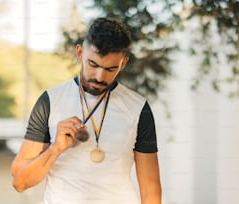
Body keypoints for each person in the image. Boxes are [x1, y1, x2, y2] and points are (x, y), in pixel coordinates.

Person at [11, 17, 161, 204]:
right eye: (93, 64)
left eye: (110, 68)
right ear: (80, 53)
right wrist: (55, 149)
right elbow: (20, 182)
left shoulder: (138, 108)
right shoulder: (50, 101)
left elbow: (150, 190)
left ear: (123, 64)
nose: (99, 76)